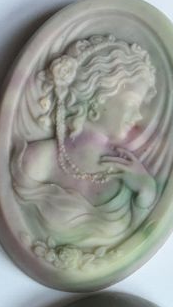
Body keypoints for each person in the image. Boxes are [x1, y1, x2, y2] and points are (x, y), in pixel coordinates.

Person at [12, 35, 158, 263]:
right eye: (132, 104)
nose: (138, 116)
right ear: (97, 98)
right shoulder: (37, 160)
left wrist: (146, 191)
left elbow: (140, 239)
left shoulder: (130, 178)